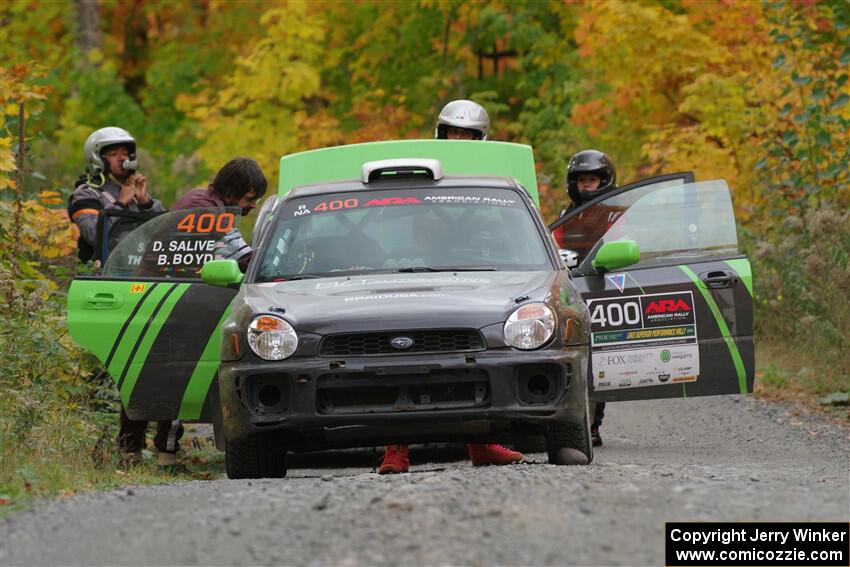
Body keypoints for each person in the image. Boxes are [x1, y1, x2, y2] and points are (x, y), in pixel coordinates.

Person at [378, 100, 523, 474]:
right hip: (419, 277)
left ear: (481, 139)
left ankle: (482, 443)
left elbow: (509, 233)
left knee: (474, 357)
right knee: (405, 358)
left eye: (467, 135)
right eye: (453, 133)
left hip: (478, 278)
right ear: (440, 134)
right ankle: (396, 450)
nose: (458, 141)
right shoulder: (419, 178)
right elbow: (396, 228)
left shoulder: (494, 185)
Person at [68, 127, 181, 469]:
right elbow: (92, 232)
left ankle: (164, 448)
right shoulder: (87, 194)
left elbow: (166, 231)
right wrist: (121, 204)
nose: (123, 158)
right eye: (114, 152)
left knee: (157, 363)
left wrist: (145, 202)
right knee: (116, 372)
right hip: (107, 291)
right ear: (98, 157)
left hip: (145, 287)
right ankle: (116, 449)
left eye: (126, 151)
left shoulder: (143, 196)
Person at [563, 149, 618, 447]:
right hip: (572, 289)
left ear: (604, 181)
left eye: (592, 180)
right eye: (581, 180)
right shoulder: (565, 215)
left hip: (604, 288)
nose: (586, 185)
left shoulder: (615, 214)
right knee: (576, 356)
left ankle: (594, 424)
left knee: (601, 358)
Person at [171, 157, 267, 271]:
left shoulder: (201, 197)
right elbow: (247, 260)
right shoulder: (207, 212)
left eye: (256, 200)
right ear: (230, 192)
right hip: (162, 281)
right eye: (249, 199)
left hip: (162, 277)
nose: (253, 206)